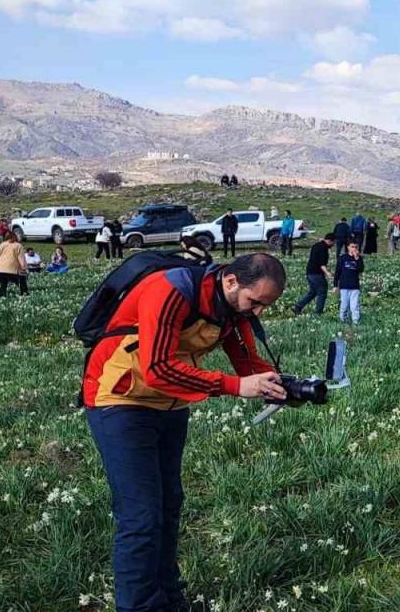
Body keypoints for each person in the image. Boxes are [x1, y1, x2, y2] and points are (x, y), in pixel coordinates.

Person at [82, 254, 288, 612]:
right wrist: (235, 387)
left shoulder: (232, 310)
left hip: (170, 404)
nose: (257, 313)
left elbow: (249, 365)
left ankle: (168, 599)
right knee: (140, 516)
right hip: (119, 399)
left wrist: (290, 387)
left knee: (168, 507)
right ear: (231, 282)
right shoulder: (170, 290)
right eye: (255, 302)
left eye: (265, 307)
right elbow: (158, 367)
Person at [293, 233, 334, 315]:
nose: (333, 245)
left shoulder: (316, 245)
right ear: (330, 241)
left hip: (309, 272)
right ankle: (318, 312)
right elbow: (321, 263)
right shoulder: (323, 248)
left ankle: (298, 306)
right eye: (333, 242)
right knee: (322, 292)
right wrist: (328, 273)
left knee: (313, 292)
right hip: (317, 274)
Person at [334, 241, 365, 325]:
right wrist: (335, 285)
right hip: (344, 285)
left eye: (356, 247)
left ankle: (355, 322)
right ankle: (342, 321)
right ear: (348, 247)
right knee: (344, 305)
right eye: (352, 247)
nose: (354, 249)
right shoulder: (342, 258)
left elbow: (361, 269)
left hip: (354, 286)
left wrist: (357, 258)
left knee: (354, 306)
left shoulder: (359, 258)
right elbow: (337, 271)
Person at [0, 231, 28, 296]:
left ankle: (2, 293)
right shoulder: (18, 246)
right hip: (12, 271)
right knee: (23, 277)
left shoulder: (2, 245)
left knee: (3, 280)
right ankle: (24, 292)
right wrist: (24, 268)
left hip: (0, 271)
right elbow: (21, 259)